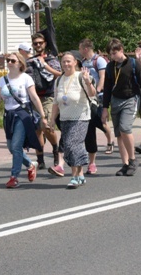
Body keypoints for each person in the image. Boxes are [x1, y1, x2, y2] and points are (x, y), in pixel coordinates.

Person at [0, 52, 43, 189]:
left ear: (20, 63)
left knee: (16, 146)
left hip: (22, 115)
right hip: (8, 116)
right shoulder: (2, 80)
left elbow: (34, 97)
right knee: (12, 147)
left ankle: (14, 176)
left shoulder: (26, 78)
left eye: (12, 60)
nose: (9, 63)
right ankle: (30, 165)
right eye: (8, 60)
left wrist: (43, 116)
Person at [101, 38, 141, 177]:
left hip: (131, 99)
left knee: (125, 128)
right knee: (119, 133)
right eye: (110, 54)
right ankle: (125, 164)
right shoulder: (110, 67)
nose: (113, 56)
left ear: (121, 50)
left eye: (114, 53)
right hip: (115, 100)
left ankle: (133, 160)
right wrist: (105, 108)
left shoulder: (133, 63)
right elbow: (106, 88)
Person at [50, 51, 97, 188]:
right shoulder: (59, 80)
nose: (66, 64)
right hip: (64, 118)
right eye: (63, 61)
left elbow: (92, 94)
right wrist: (52, 119)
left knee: (71, 144)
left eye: (69, 61)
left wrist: (88, 83)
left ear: (75, 62)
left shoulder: (81, 76)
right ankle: (81, 174)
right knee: (74, 146)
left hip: (81, 117)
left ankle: (74, 176)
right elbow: (55, 102)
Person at [25, 33, 62, 172]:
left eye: (40, 43)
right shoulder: (30, 61)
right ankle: (40, 159)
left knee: (45, 125)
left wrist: (45, 65)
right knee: (36, 129)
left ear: (45, 43)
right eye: (35, 43)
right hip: (33, 97)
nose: (38, 45)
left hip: (48, 96)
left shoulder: (51, 59)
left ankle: (55, 148)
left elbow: (59, 74)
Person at [79, 39, 114, 175]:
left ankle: (110, 141)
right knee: (93, 124)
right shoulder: (83, 62)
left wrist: (98, 91)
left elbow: (103, 77)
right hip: (87, 98)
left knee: (101, 121)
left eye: (81, 48)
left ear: (86, 48)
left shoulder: (99, 60)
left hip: (98, 96)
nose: (80, 50)